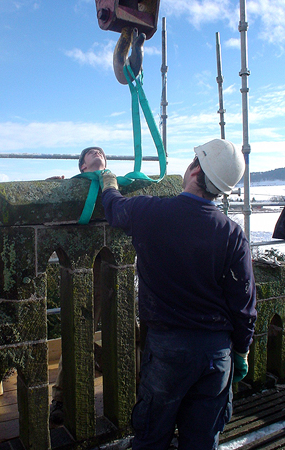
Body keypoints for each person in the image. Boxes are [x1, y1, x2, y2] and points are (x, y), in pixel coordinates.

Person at [99, 138, 257, 450]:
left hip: (168, 349)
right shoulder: (231, 232)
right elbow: (244, 302)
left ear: (194, 170)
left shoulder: (151, 212)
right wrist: (241, 351)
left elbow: (116, 210)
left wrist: (108, 182)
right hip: (216, 353)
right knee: (201, 441)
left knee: (151, 437)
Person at [49, 146, 107, 425]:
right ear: (82, 167)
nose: (97, 153)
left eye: (100, 152)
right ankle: (59, 399)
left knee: (130, 334)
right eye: (90, 153)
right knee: (78, 335)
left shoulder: (117, 184)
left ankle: (136, 384)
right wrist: (51, 190)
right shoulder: (74, 188)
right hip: (91, 275)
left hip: (117, 274)